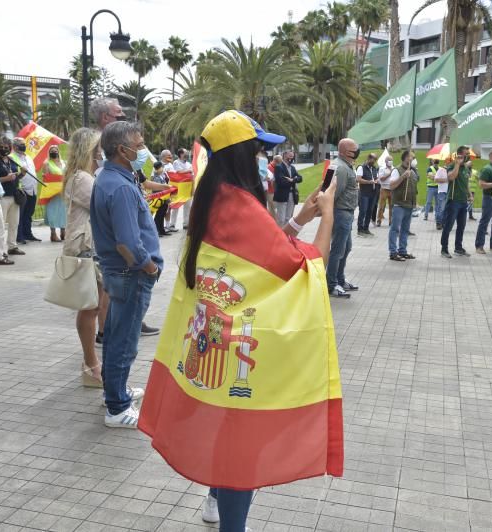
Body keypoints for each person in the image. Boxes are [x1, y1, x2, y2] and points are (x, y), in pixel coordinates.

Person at [138, 110, 338, 532]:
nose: (265, 156)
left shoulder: (214, 199)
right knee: (239, 443)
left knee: (220, 425)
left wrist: (301, 216)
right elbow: (304, 268)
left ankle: (214, 498)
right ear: (243, 155)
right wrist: (330, 214)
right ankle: (232, 523)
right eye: (260, 149)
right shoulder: (242, 205)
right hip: (238, 348)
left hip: (209, 340)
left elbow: (262, 256)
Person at [90, 121, 163, 428]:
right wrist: (149, 266)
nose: (144, 150)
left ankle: (116, 391)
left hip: (120, 272)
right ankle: (117, 408)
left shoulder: (112, 178)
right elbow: (128, 243)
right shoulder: (119, 186)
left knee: (118, 334)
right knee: (124, 339)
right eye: (140, 144)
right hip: (130, 273)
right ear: (122, 150)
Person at [61, 128, 105, 388]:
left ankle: (91, 362)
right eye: (98, 146)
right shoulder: (83, 179)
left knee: (93, 306)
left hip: (89, 246)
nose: (102, 151)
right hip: (86, 247)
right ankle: (91, 364)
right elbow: (103, 206)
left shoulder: (81, 176)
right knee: (90, 307)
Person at [327, 138, 359, 298]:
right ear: (346, 151)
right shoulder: (340, 167)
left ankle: (339, 279)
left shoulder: (345, 165)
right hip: (341, 213)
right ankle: (331, 284)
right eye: (354, 149)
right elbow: (332, 193)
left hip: (346, 213)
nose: (357, 150)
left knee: (346, 248)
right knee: (338, 250)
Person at [0, 136, 25, 257]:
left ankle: (12, 246)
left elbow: (15, 177)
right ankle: (0, 249)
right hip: (2, 196)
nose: (3, 149)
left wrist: (21, 174)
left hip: (14, 196)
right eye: (1, 147)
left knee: (14, 223)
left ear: (10, 148)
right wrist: (7, 178)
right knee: (0, 225)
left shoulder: (12, 161)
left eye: (6, 147)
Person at [439, 146, 472, 259]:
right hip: (453, 201)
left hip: (463, 201)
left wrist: (469, 194)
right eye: (466, 154)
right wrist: (457, 164)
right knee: (448, 226)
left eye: (468, 154)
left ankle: (458, 248)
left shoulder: (466, 168)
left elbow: (466, 182)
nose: (468, 156)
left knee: (461, 226)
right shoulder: (452, 165)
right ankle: (444, 249)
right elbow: (451, 177)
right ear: (459, 155)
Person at [387, 150, 418, 261]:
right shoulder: (397, 170)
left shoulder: (413, 172)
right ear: (405, 158)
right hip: (399, 204)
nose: (413, 160)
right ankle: (393, 252)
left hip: (409, 205)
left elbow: (414, 189)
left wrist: (415, 203)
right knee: (395, 229)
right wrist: (403, 177)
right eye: (412, 157)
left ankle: (402, 251)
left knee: (405, 229)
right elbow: (391, 186)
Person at [13, 137, 40, 244]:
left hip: (32, 189)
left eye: (24, 144)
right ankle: (19, 236)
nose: (23, 146)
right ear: (14, 146)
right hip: (22, 189)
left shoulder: (28, 157)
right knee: (20, 214)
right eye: (21, 144)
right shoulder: (12, 157)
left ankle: (28, 234)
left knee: (29, 213)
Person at [41, 145, 66, 242]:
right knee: (53, 212)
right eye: (52, 151)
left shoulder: (64, 163)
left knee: (63, 211)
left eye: (56, 150)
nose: (54, 152)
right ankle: (53, 233)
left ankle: (63, 231)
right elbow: (46, 178)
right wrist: (45, 176)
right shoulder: (47, 163)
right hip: (53, 192)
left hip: (63, 191)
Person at [273, 151, 302, 227]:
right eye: (290, 156)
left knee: (288, 218)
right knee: (281, 219)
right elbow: (281, 182)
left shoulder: (292, 168)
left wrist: (292, 180)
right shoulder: (279, 167)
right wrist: (293, 180)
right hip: (282, 195)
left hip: (292, 196)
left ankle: (286, 236)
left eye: (292, 156)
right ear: (285, 156)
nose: (291, 158)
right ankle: (279, 236)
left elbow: (300, 178)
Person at [170, 148, 193, 230]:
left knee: (188, 206)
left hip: (187, 188)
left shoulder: (189, 164)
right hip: (179, 188)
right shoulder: (176, 162)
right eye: (185, 153)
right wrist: (189, 171)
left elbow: (191, 175)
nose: (187, 154)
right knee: (176, 205)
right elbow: (179, 172)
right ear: (180, 154)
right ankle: (172, 224)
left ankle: (186, 224)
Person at [356, 153, 379, 235]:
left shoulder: (374, 168)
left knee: (370, 211)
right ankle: (360, 229)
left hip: (373, 193)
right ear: (368, 158)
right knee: (363, 211)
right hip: (364, 193)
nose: (374, 161)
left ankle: (366, 228)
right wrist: (369, 182)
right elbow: (358, 179)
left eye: (375, 160)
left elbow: (376, 177)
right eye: (373, 159)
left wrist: (377, 180)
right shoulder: (361, 167)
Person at [376, 156, 394, 227]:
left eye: (391, 160)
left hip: (392, 189)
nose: (390, 161)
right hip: (384, 189)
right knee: (381, 206)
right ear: (386, 161)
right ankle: (379, 220)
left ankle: (391, 221)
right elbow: (381, 179)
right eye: (389, 160)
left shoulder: (394, 168)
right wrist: (389, 174)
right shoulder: (382, 168)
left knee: (391, 206)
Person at [433, 159, 449, 230]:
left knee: (447, 209)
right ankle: (438, 223)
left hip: (449, 192)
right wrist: (446, 180)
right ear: (446, 162)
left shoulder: (451, 170)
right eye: (449, 161)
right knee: (441, 208)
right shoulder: (441, 170)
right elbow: (436, 179)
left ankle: (444, 222)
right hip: (442, 192)